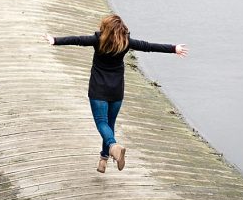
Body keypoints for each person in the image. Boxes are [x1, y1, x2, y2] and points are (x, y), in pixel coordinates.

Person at [45, 14, 187, 173]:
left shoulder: (97, 40)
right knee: (110, 124)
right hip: (116, 91)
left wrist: (55, 40)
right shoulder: (126, 43)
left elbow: (78, 40)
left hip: (98, 90)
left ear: (105, 28)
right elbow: (148, 46)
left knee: (101, 123)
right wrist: (173, 48)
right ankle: (103, 160)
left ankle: (113, 147)